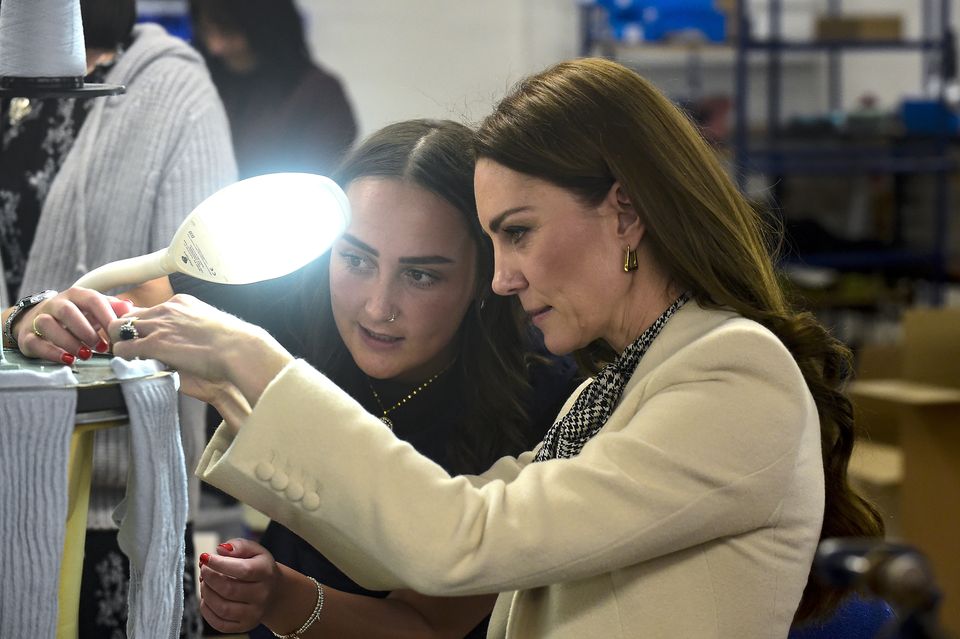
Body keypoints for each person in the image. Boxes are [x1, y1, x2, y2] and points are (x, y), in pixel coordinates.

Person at [22, 58, 885, 637]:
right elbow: (427, 539)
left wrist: (255, 364)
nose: (505, 278)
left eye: (517, 233)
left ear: (625, 211)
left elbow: (456, 539)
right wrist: (238, 389)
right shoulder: (619, 387)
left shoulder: (731, 375)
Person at [166, 119, 578, 637]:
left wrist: (279, 595)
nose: (378, 307)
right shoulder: (299, 305)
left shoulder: (546, 400)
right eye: (356, 259)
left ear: (484, 276)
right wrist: (36, 314)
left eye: (420, 274)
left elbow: (424, 626)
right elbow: (138, 298)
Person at [0, 1, 236, 636]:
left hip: (118, 490)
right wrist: (17, 321)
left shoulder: (172, 91)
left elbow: (203, 293)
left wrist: (117, 312)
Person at [189, 0, 357, 180]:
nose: (216, 47)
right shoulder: (204, 86)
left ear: (264, 25)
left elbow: (315, 185)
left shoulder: (321, 95)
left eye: (229, 32)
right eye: (207, 31)